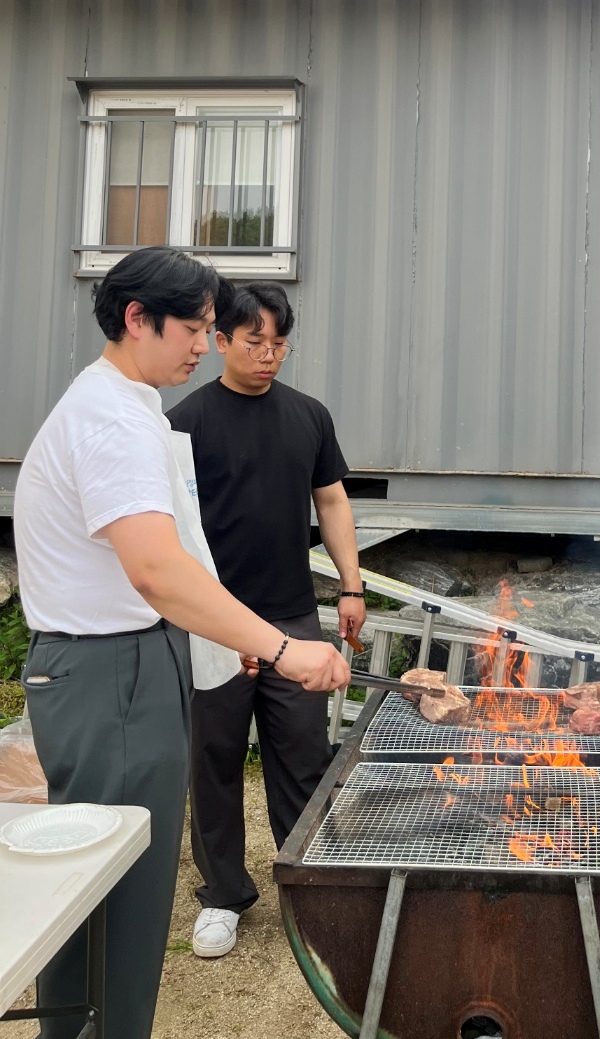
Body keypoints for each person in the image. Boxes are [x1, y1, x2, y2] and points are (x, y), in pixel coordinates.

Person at [13, 247, 350, 1039]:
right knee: (117, 895)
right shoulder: (113, 418)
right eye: (195, 328)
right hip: (111, 673)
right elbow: (157, 569)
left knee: (110, 883)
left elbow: (168, 564)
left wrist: (218, 639)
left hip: (137, 658)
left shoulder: (130, 406)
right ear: (139, 319)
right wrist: (282, 648)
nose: (206, 344)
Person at [167, 281, 366, 959]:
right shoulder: (184, 424)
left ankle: (309, 883)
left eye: (280, 344)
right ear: (221, 340)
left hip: (292, 615)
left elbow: (332, 501)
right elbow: (171, 534)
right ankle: (223, 895)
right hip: (212, 619)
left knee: (303, 754)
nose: (269, 355)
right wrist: (216, 626)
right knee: (214, 760)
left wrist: (350, 585)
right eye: (255, 342)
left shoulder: (308, 415)